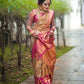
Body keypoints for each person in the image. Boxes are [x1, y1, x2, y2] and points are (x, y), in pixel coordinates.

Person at [26, 0, 56, 83]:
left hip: (47, 39)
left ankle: (47, 81)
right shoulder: (34, 12)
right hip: (37, 39)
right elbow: (28, 25)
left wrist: (52, 30)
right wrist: (32, 32)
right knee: (39, 62)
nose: (47, 6)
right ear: (40, 3)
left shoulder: (51, 13)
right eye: (45, 4)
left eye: (49, 5)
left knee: (48, 62)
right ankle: (40, 81)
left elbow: (53, 25)